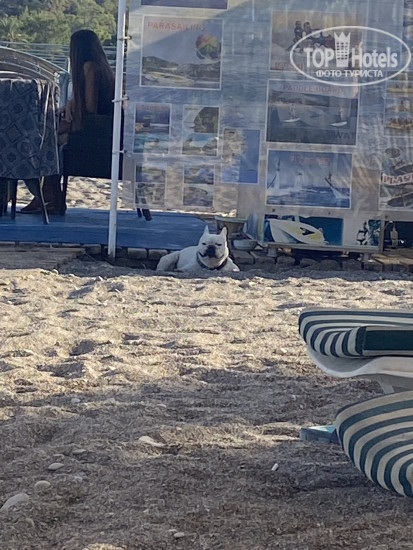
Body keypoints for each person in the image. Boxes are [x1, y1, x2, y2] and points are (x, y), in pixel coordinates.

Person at [21, 29, 116, 214]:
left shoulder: (89, 67)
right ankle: (49, 195)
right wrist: (71, 104)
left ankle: (48, 195)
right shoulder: (102, 67)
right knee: (48, 138)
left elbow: (89, 107)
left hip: (92, 134)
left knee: (45, 141)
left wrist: (72, 108)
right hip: (102, 132)